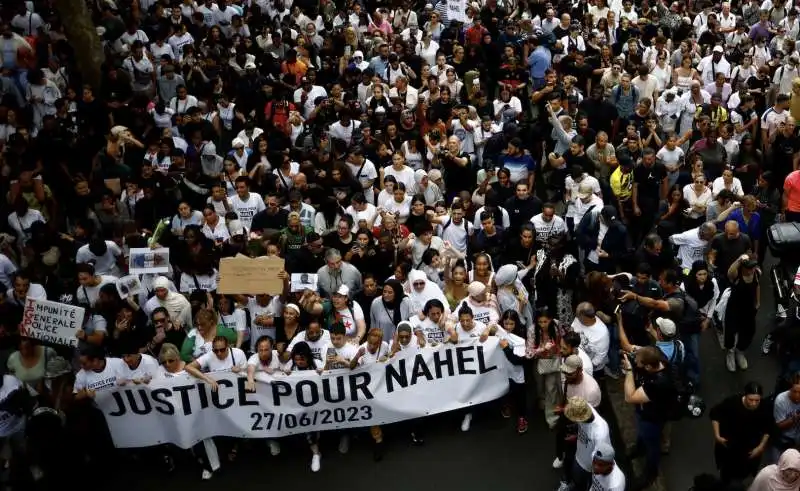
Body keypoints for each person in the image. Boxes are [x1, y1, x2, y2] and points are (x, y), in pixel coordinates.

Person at [622, 345, 676, 490]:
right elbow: (640, 350)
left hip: (653, 417)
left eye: (639, 363)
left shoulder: (658, 383)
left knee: (652, 444)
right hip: (645, 412)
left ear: (648, 367)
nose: (636, 364)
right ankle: (639, 448)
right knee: (642, 433)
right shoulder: (660, 358)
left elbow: (630, 397)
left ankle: (650, 473)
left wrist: (628, 371)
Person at [710, 382, 771, 486]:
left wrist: (761, 446)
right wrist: (717, 436)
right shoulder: (732, 402)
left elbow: (768, 427)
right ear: (745, 396)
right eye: (750, 400)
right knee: (726, 474)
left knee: (744, 473)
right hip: (729, 447)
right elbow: (715, 414)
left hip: (750, 449)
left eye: (757, 400)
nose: (754, 404)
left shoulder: (764, 407)